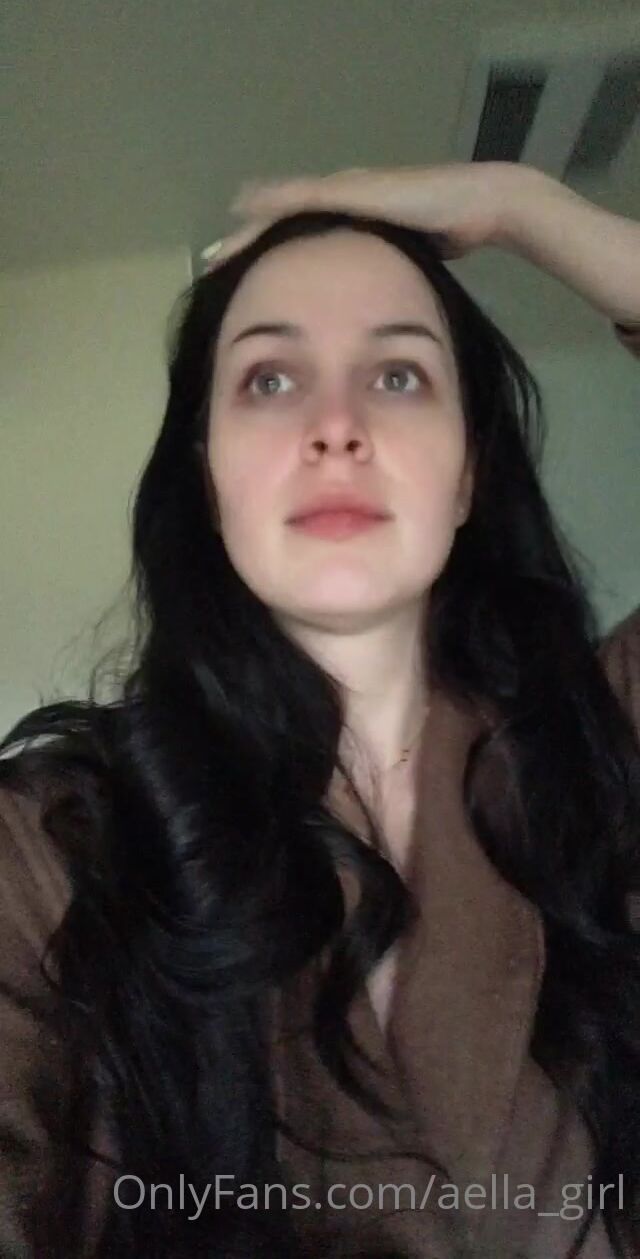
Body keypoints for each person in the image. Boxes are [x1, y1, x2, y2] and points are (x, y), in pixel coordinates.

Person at [0, 161, 638, 1259]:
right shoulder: (48, 848)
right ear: (207, 476)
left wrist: (523, 204)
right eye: (269, 379)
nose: (336, 426)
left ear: (468, 474)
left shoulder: (608, 743)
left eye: (397, 375)